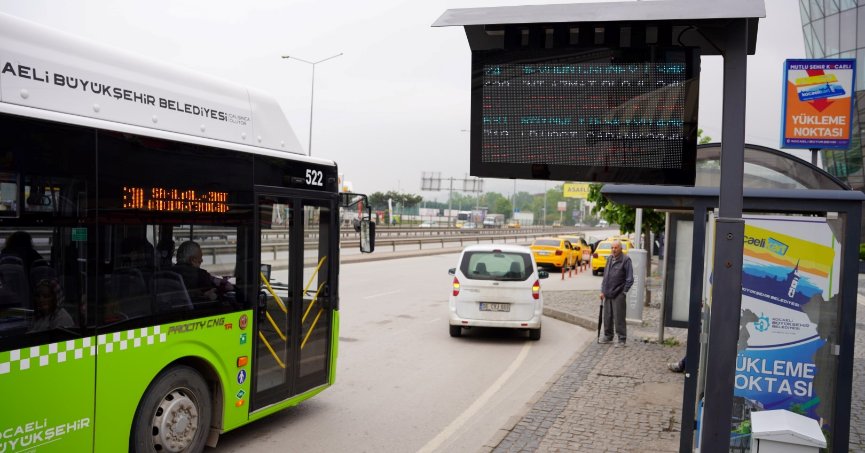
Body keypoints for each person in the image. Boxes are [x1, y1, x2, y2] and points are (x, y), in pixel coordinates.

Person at [599, 240, 633, 347]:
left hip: (619, 293)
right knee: (607, 316)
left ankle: (621, 339)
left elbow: (630, 279)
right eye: (612, 248)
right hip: (608, 292)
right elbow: (605, 276)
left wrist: (624, 292)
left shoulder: (626, 260)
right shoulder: (609, 258)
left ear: (620, 248)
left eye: (616, 248)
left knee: (619, 317)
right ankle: (608, 336)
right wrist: (602, 291)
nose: (613, 250)